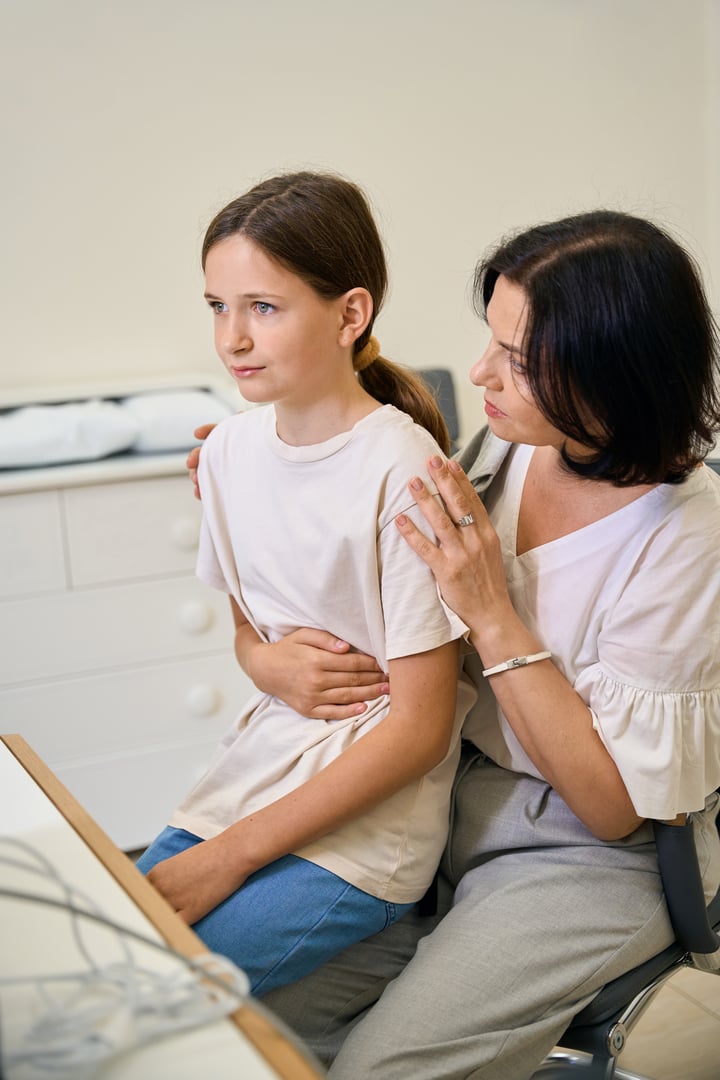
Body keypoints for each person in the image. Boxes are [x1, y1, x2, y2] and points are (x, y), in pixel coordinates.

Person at [188, 209, 720, 1078]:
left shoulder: (688, 538)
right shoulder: (503, 454)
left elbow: (614, 807)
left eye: (517, 359)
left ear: (614, 369)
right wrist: (261, 532)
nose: (482, 373)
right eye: (492, 342)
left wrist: (494, 615)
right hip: (441, 798)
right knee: (231, 1022)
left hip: (582, 856)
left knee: (378, 1070)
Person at [136, 171, 472, 996]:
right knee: (110, 948)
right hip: (256, 776)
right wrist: (264, 664)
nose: (232, 339)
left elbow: (420, 731)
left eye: (264, 308)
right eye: (218, 306)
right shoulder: (225, 454)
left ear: (350, 314)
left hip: (366, 830)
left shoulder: (403, 473)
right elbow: (253, 628)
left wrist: (230, 857)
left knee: (154, 995)